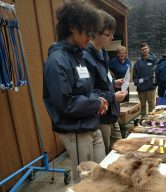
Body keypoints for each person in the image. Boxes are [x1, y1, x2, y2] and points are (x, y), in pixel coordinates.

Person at [43, 1, 107, 182]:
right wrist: (95, 103)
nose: (91, 36)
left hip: (90, 125)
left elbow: (84, 91)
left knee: (101, 178)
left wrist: (97, 99)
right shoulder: (57, 61)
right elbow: (66, 104)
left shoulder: (78, 56)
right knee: (85, 183)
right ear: (71, 27)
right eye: (87, 31)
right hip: (76, 131)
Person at [83, 10, 127, 155]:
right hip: (101, 117)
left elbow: (104, 80)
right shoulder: (85, 58)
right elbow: (89, 92)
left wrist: (114, 83)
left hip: (112, 113)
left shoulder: (103, 53)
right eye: (109, 34)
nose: (112, 38)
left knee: (119, 151)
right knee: (106, 156)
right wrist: (113, 96)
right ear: (95, 33)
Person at [133, 42, 157, 116]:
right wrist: (137, 82)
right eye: (142, 49)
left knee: (152, 105)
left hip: (151, 88)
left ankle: (151, 122)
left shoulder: (154, 60)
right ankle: (143, 120)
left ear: (148, 49)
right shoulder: (138, 62)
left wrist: (155, 83)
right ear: (141, 51)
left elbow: (157, 72)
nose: (144, 51)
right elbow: (134, 75)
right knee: (142, 105)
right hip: (141, 89)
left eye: (145, 49)